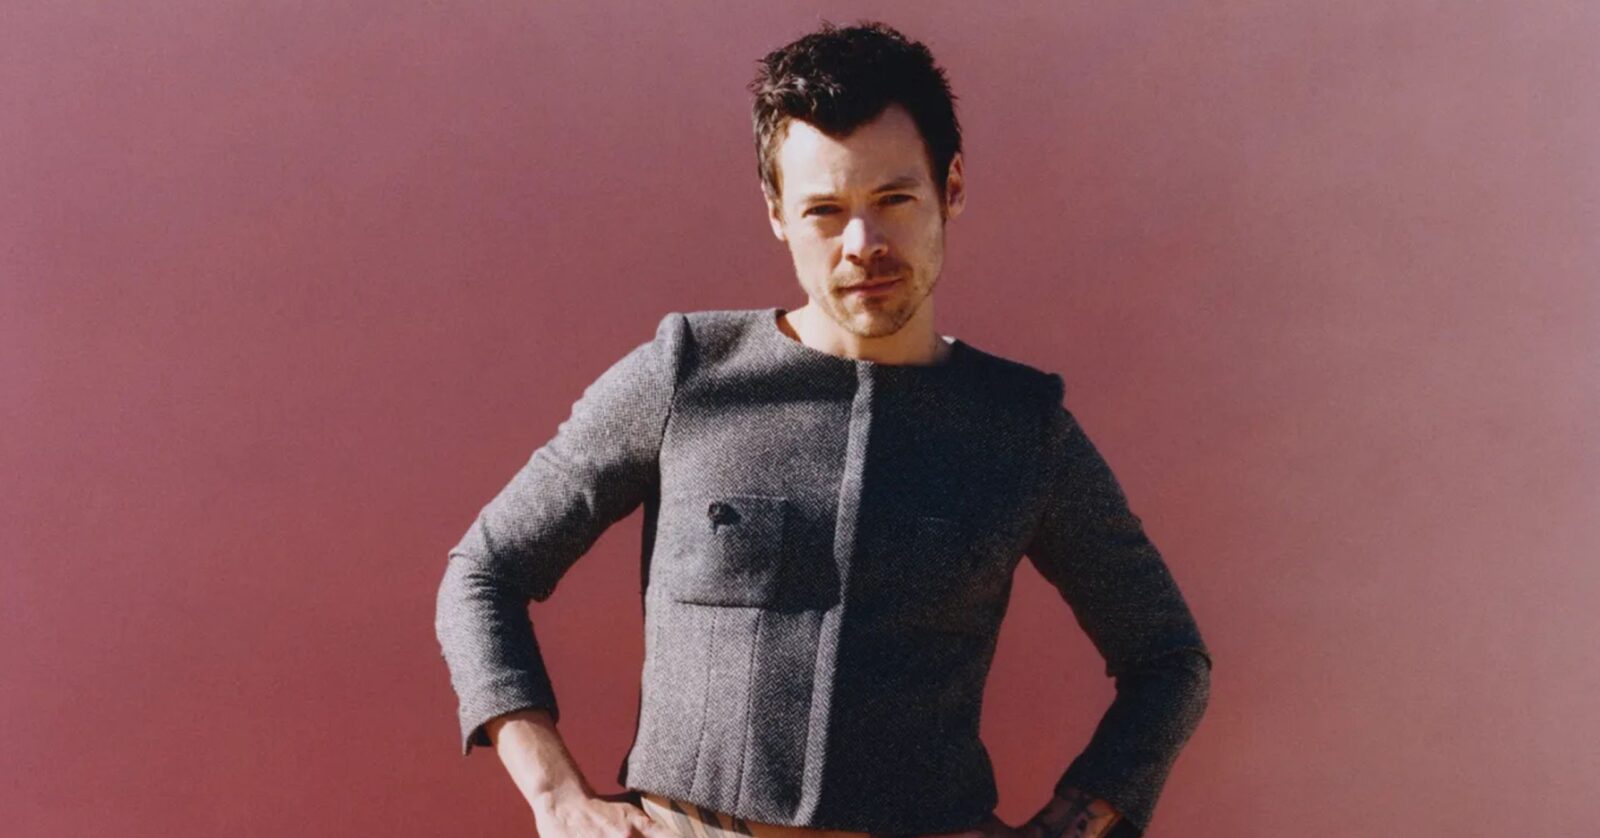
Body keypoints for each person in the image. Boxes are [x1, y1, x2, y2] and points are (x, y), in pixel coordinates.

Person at [434, 20, 1211, 838]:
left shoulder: (1021, 426)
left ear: (951, 188)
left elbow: (1169, 659)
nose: (862, 245)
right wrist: (556, 796)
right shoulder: (687, 375)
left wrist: (1075, 823)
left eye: (894, 200)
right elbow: (484, 573)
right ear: (777, 212)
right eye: (825, 211)